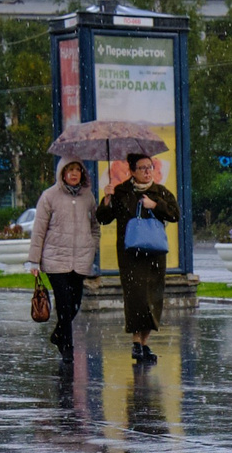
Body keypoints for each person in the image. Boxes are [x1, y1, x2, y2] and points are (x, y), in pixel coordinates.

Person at [95, 153, 178, 363]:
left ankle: (144, 343)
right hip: (130, 254)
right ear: (132, 171)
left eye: (150, 167)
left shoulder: (160, 192)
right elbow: (103, 218)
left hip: (155, 254)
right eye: (142, 168)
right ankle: (135, 341)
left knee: (153, 297)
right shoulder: (121, 191)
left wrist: (155, 205)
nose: (147, 171)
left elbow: (175, 214)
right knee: (136, 297)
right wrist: (107, 199)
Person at [25, 159, 98, 353]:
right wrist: (34, 260)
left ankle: (58, 334)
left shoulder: (88, 197)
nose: (74, 174)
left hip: (80, 260)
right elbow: (39, 229)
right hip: (55, 259)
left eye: (78, 170)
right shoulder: (49, 196)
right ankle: (67, 348)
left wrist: (92, 246)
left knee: (75, 303)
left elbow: (95, 226)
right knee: (64, 303)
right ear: (62, 173)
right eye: (70, 170)